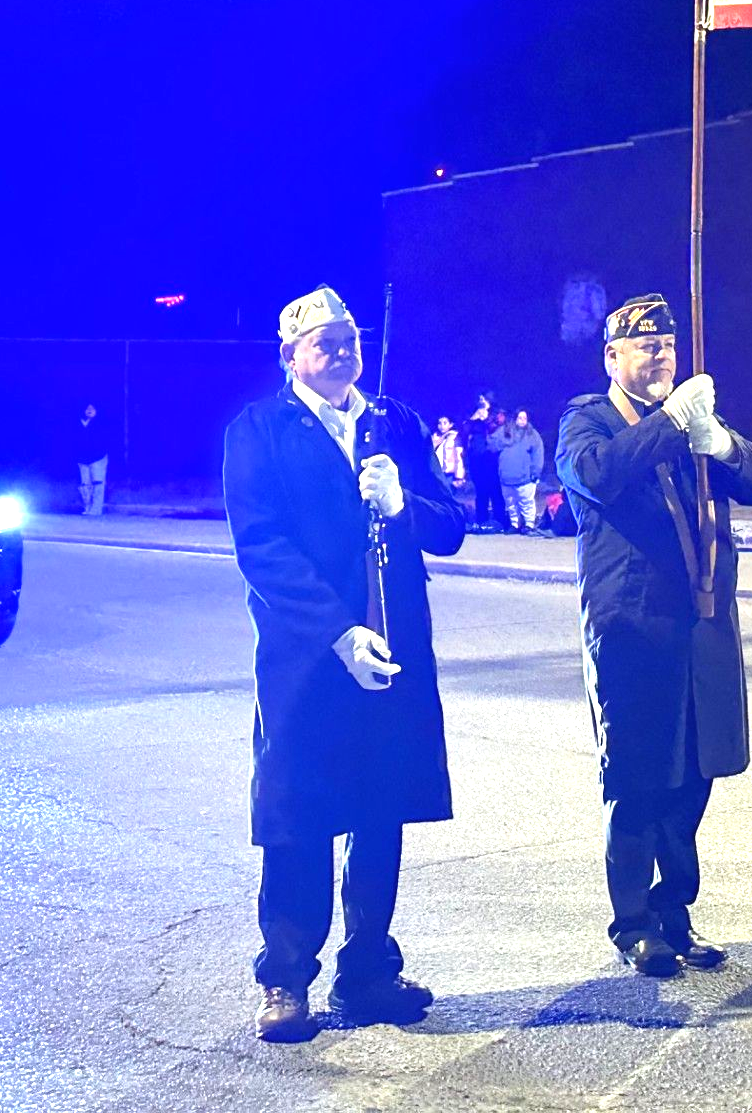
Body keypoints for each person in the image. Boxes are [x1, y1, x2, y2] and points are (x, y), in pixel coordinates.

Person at [221, 285, 466, 1043]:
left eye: (349, 337)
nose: (340, 349)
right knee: (300, 817)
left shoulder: (395, 423)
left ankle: (368, 974)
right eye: (322, 340)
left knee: (380, 808)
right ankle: (287, 979)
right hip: (308, 659)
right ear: (291, 354)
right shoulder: (260, 431)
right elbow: (262, 548)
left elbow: (450, 528)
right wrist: (339, 634)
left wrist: (403, 505)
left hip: (396, 647)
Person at [556, 293, 752, 976]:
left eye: (668, 347)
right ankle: (634, 924)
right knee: (637, 776)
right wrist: (672, 423)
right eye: (646, 347)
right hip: (631, 627)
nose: (661, 358)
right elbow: (594, 476)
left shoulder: (691, 422)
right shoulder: (587, 418)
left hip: (702, 619)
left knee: (695, 772)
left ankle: (675, 910)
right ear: (613, 357)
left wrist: (723, 442)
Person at [493, 408, 547, 533]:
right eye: (520, 418)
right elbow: (492, 445)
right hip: (507, 476)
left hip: (525, 477)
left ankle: (529, 524)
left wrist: (536, 471)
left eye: (524, 418)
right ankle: (514, 524)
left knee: (526, 502)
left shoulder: (532, 435)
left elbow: (538, 454)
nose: (522, 421)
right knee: (511, 503)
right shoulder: (504, 432)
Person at [466, 394, 505, 531]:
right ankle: (481, 520)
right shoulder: (473, 414)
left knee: (495, 491)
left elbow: (499, 428)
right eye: (479, 399)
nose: (481, 401)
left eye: (484, 399)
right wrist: (473, 419)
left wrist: (486, 419)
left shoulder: (497, 414)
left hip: (492, 459)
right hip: (477, 460)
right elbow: (464, 432)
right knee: (481, 492)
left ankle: (500, 521)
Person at [75, 403, 109, 516]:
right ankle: (87, 507)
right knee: (85, 485)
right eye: (87, 408)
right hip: (82, 458)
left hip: (98, 457)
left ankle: (96, 509)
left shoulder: (101, 422)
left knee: (98, 483)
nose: (90, 410)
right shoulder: (78, 422)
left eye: (92, 408)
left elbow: (104, 439)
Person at [431, 415, 464, 493]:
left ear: (451, 424)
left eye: (445, 423)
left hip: (449, 473)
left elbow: (459, 457)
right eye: (440, 423)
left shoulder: (455, 437)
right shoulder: (434, 437)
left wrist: (459, 476)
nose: (442, 426)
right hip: (436, 472)